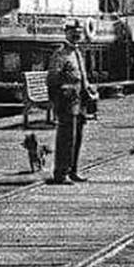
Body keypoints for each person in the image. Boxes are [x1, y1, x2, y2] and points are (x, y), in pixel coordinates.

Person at [47, 19, 98, 185]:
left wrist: (88, 87)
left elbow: (82, 75)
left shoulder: (77, 53)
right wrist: (64, 91)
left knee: (77, 137)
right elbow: (53, 78)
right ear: (66, 33)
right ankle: (61, 173)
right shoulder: (61, 54)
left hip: (80, 100)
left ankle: (73, 169)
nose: (77, 35)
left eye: (79, 32)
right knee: (66, 137)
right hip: (67, 100)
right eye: (73, 32)